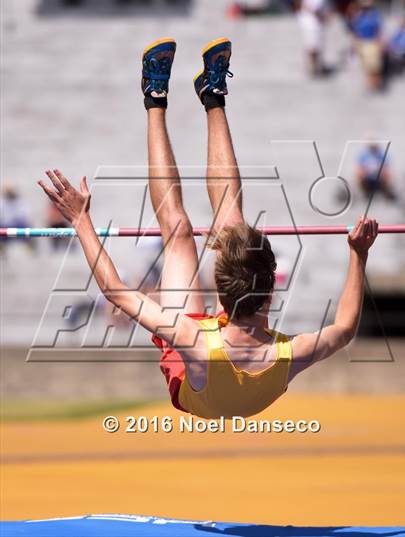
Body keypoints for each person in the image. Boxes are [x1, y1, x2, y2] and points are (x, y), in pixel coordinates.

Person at [38, 38, 379, 419]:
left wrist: (82, 221)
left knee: (177, 228)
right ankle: (213, 94)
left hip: (192, 374)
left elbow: (117, 293)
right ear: (269, 295)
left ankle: (154, 96)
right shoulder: (288, 353)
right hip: (218, 354)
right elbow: (346, 328)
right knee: (231, 221)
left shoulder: (194, 342)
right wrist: (357, 255)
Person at [298, 0, 335, 76]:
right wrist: (323, 17)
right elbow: (312, 8)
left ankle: (316, 67)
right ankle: (313, 68)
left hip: (313, 24)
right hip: (312, 24)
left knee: (315, 46)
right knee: (313, 46)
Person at [350, 0, 384, 91]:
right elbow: (356, 32)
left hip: (372, 42)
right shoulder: (358, 16)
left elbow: (378, 31)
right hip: (363, 43)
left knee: (375, 66)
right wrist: (355, 44)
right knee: (366, 66)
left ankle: (375, 84)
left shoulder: (374, 15)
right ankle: (370, 84)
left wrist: (381, 43)